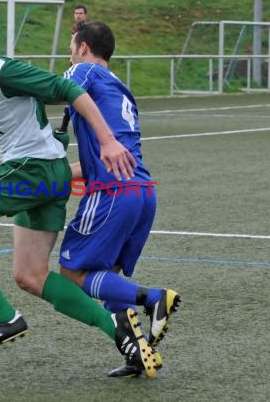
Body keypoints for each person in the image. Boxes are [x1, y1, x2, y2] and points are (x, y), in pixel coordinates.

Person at [0, 17, 159, 377]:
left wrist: (107, 140)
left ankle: (1, 318)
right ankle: (120, 333)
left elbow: (72, 91)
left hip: (29, 170)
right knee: (31, 275)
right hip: (44, 170)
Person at [58, 21, 181, 377]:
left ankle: (155, 298)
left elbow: (58, 88)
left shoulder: (84, 72)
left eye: (71, 45)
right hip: (142, 192)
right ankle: (137, 354)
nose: (70, 53)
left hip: (113, 194)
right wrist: (59, 174)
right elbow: (105, 155)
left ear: (83, 48)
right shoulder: (122, 90)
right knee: (108, 276)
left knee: (71, 273)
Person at [55, 5, 88, 135]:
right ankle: (64, 126)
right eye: (76, 13)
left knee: (76, 94)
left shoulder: (88, 29)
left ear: (85, 15)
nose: (78, 15)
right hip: (75, 64)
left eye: (80, 13)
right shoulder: (75, 29)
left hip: (84, 65)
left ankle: (65, 126)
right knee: (73, 94)